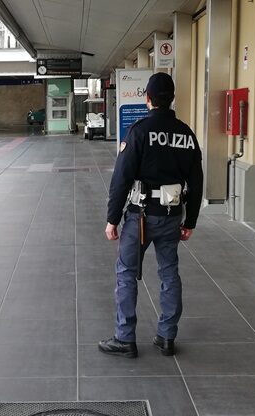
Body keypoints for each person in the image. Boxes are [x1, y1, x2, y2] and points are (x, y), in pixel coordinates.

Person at [99, 72, 203, 358]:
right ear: (171, 99)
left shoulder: (140, 131)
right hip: (171, 216)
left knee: (126, 273)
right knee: (169, 273)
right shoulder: (187, 134)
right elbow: (196, 181)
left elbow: (121, 178)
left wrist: (111, 218)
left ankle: (125, 338)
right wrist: (190, 221)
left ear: (147, 98)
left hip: (141, 217)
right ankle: (166, 337)